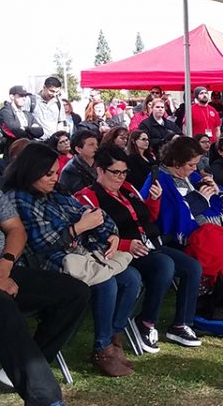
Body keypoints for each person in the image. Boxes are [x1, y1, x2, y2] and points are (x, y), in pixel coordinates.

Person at [3, 143, 142, 377]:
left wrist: (111, 234)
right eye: (48, 174)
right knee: (105, 284)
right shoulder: (19, 198)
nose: (54, 178)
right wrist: (78, 229)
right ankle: (102, 349)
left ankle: (112, 337)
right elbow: (41, 243)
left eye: (56, 172)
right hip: (47, 262)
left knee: (131, 277)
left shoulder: (58, 191)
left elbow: (95, 216)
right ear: (31, 171)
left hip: (80, 254)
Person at [76, 146, 203, 351]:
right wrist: (126, 244)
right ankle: (146, 322)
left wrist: (154, 200)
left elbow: (147, 218)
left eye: (124, 172)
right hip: (121, 252)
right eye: (115, 172)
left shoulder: (128, 189)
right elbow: (92, 236)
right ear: (100, 170)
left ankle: (181, 324)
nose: (120, 177)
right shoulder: (88, 196)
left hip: (149, 243)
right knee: (164, 264)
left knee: (192, 267)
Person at [151, 136, 223, 333]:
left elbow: (215, 196)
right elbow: (171, 218)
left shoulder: (188, 175)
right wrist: (200, 199)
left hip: (205, 231)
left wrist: (214, 189)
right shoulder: (160, 179)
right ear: (175, 162)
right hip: (181, 238)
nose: (194, 169)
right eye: (190, 165)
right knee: (220, 261)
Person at [0, 187, 90, 406]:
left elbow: (16, 229)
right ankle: (46, 403)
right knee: (3, 307)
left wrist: (6, 264)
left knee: (74, 293)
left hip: (4, 268)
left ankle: (19, 367)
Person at [0, 85, 41, 153]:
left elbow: (40, 132)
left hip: (29, 151)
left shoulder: (27, 113)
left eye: (25, 96)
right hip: (13, 152)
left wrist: (26, 128)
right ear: (12, 96)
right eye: (21, 96)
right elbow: (15, 131)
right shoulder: (5, 112)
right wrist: (32, 130)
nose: (24, 98)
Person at [58, 129, 100, 193]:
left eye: (96, 144)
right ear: (78, 149)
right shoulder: (70, 170)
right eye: (91, 144)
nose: (96, 147)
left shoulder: (100, 162)